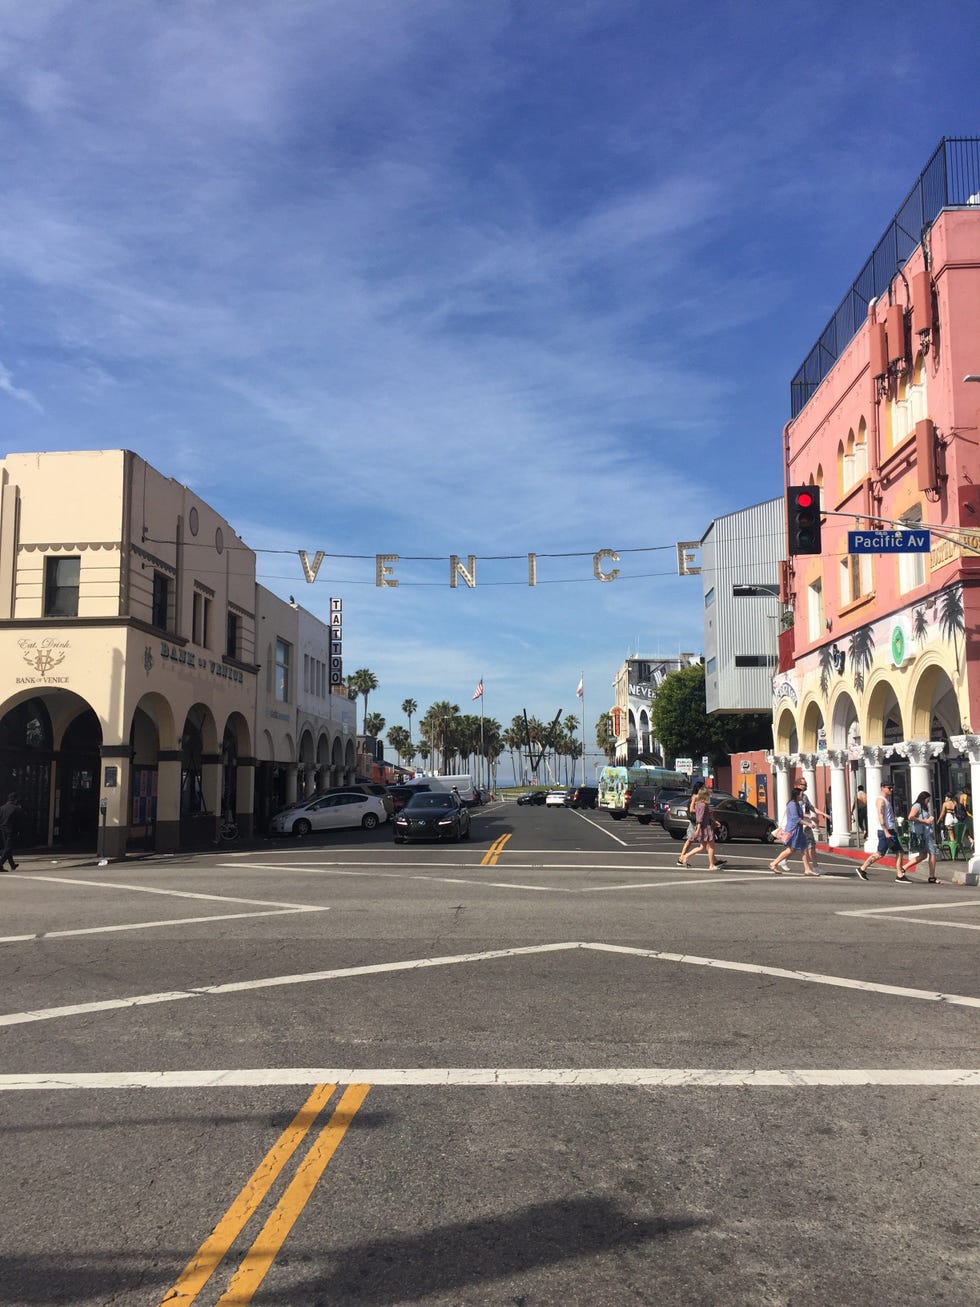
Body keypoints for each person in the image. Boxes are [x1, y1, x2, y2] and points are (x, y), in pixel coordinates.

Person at [856, 782, 908, 882]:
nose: (891, 790)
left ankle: (899, 875)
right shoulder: (881, 800)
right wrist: (886, 831)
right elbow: (881, 816)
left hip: (890, 830)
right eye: (889, 788)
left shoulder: (886, 800)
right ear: (883, 788)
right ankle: (862, 869)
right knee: (880, 853)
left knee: (899, 851)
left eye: (892, 788)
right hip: (885, 831)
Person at [769, 786, 818, 875]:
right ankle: (774, 863)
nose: (803, 795)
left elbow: (800, 816)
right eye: (801, 794)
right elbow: (796, 819)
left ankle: (807, 869)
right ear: (797, 795)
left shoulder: (797, 804)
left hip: (798, 830)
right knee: (790, 850)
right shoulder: (792, 804)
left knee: (804, 849)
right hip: (793, 831)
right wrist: (808, 824)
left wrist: (809, 818)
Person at [677, 786, 726, 871]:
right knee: (711, 847)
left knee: (702, 847)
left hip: (703, 827)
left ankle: (685, 856)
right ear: (705, 796)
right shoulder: (703, 805)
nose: (710, 796)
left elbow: (692, 810)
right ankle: (711, 865)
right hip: (705, 827)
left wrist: (713, 820)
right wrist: (698, 829)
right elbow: (700, 818)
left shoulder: (698, 804)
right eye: (708, 795)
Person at [905, 790, 942, 883]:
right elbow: (910, 817)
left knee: (923, 855)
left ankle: (903, 868)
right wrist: (925, 821)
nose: (928, 802)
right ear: (923, 799)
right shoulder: (917, 806)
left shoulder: (923, 807)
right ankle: (932, 876)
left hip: (927, 833)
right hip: (923, 834)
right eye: (927, 800)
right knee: (932, 853)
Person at [797, 781, 829, 874]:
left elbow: (811, 808)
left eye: (806, 784)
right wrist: (810, 817)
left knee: (811, 846)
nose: (806, 786)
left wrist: (823, 814)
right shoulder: (796, 798)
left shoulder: (805, 797)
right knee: (796, 848)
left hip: (807, 825)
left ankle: (815, 867)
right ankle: (780, 861)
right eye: (804, 784)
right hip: (801, 824)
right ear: (798, 785)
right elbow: (797, 813)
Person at [0, 792, 24, 871]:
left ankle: (12, 865)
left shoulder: (2, 808)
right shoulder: (17, 808)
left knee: (7, 847)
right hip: (12, 830)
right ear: (15, 799)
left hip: (3, 829)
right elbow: (19, 822)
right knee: (8, 848)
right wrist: (19, 831)